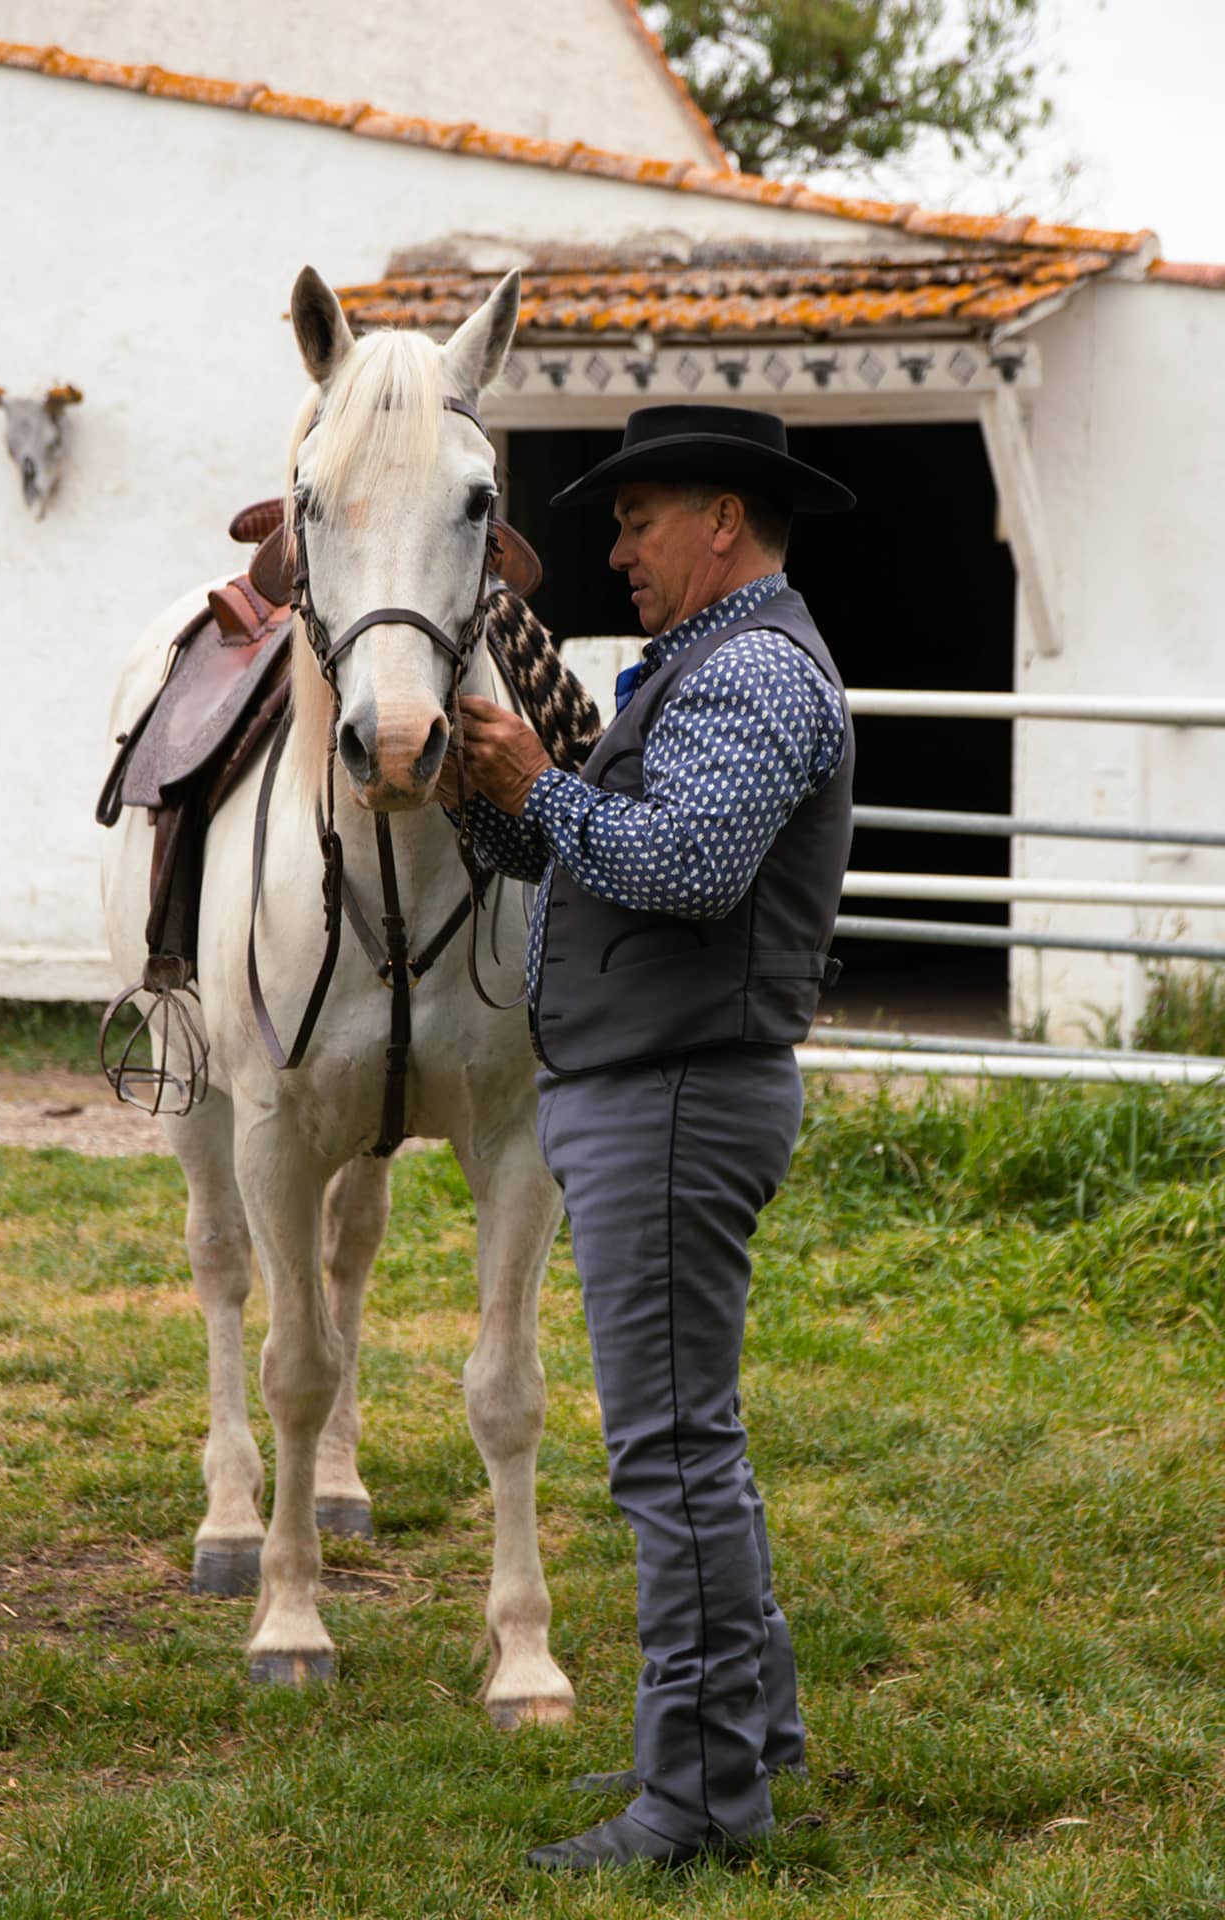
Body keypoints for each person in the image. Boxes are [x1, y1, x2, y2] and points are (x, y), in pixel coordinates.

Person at [444, 403, 856, 1872]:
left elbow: (683, 868)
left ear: (724, 523)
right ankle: (755, 1740)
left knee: (669, 1459)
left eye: (637, 518)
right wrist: (482, 793)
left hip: (674, 1095)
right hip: (652, 1091)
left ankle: (692, 1807)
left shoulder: (746, 673)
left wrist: (540, 784)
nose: (610, 550)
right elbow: (581, 856)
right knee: (695, 1445)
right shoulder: (694, 666)